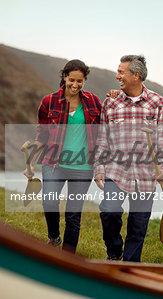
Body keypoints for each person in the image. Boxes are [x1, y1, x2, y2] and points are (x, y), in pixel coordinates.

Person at [94, 55, 163, 262]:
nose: (117, 75)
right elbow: (103, 137)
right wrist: (99, 168)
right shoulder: (111, 102)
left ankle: (130, 268)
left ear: (136, 75)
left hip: (147, 174)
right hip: (116, 170)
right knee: (109, 211)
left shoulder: (158, 103)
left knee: (138, 226)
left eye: (121, 72)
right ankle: (114, 251)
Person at [24, 60, 102, 253]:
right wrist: (30, 164)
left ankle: (68, 258)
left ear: (85, 81)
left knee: (73, 214)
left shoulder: (93, 101)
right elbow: (41, 136)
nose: (75, 85)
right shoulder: (48, 102)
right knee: (49, 201)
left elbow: (103, 130)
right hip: (54, 163)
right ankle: (54, 237)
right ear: (64, 77)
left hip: (83, 167)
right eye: (71, 80)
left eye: (80, 81)